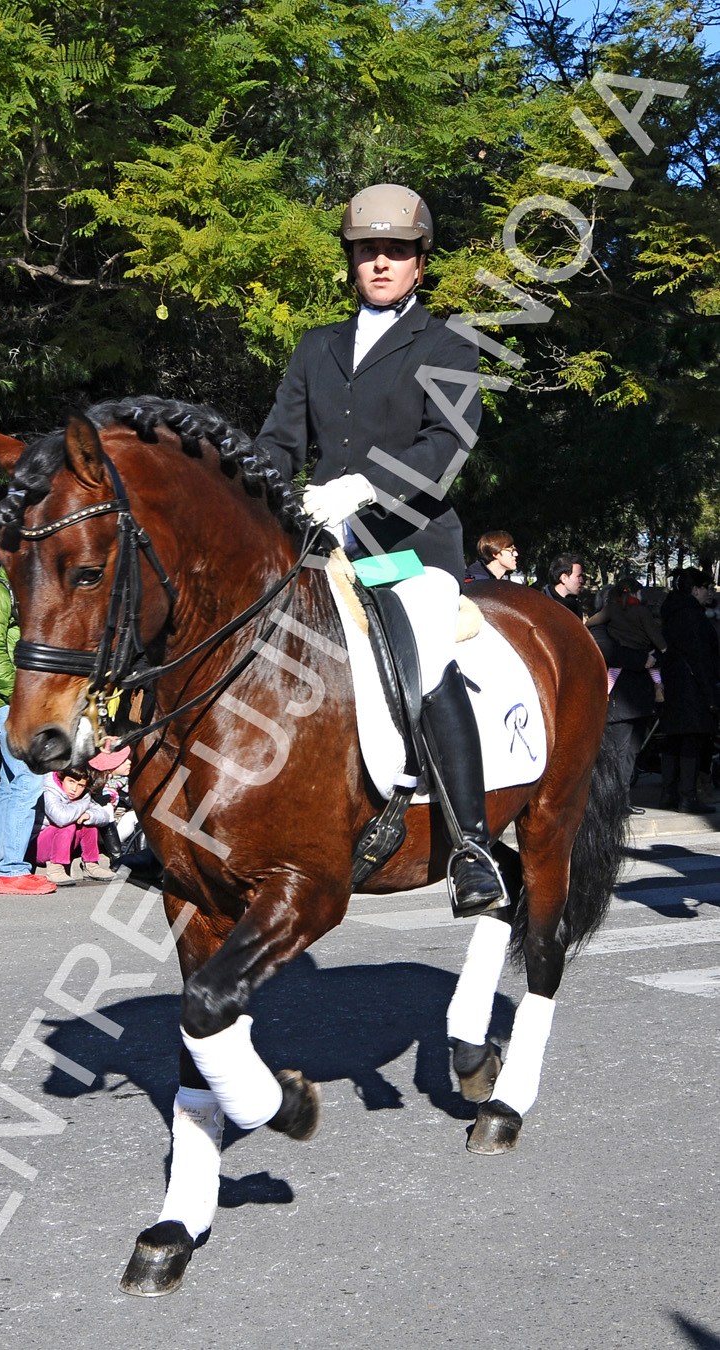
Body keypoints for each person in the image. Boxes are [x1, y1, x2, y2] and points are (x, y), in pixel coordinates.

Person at [257, 182, 502, 916]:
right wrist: (263, 491)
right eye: (369, 252)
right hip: (324, 540)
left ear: (419, 264)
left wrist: (364, 488)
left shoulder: (449, 346)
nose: (382, 263)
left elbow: (447, 444)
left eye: (396, 251)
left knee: (421, 649)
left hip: (411, 544)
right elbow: (279, 440)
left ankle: (472, 847)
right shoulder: (316, 346)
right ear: (352, 262)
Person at [0, 566, 55, 894]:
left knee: (11, 786)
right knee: (28, 781)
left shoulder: (21, 593)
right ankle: (11, 870)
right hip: (10, 704)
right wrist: (21, 697)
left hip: (17, 703)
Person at [658, 568, 719, 814]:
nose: (710, 592)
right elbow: (702, 658)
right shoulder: (694, 617)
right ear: (695, 590)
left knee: (673, 741)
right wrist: (712, 694)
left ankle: (668, 794)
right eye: (707, 587)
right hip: (693, 689)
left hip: (673, 685)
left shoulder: (671, 613)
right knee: (692, 742)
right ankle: (688, 796)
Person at [587, 622, 656, 815]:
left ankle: (622, 799)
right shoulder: (602, 629)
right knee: (617, 753)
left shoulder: (637, 628)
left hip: (639, 702)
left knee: (630, 752)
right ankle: (613, 801)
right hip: (617, 703)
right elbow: (609, 652)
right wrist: (641, 658)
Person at [586, 576, 665, 700]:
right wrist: (662, 648)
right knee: (654, 667)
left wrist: (585, 624)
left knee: (613, 671)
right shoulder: (642, 611)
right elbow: (653, 632)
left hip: (623, 648)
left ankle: (605, 692)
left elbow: (593, 621)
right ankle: (658, 685)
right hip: (642, 650)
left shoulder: (611, 611)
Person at [35, 766, 116, 886]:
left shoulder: (83, 795)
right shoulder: (49, 791)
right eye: (71, 782)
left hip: (64, 845)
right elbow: (61, 818)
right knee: (68, 825)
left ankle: (91, 865)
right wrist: (84, 802)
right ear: (62, 779)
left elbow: (104, 815)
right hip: (38, 846)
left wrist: (88, 815)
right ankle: (55, 869)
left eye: (81, 785)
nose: (74, 789)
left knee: (88, 822)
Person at [543, 553, 585, 618]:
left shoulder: (576, 607)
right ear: (564, 578)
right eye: (578, 576)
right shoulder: (542, 606)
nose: (582, 581)